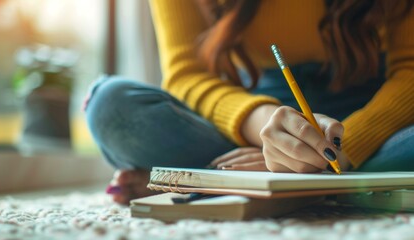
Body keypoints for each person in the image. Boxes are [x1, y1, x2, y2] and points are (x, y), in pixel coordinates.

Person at [85, 0, 414, 204]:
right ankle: (337, 186)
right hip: (256, 116)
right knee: (112, 107)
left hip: (378, 112)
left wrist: (347, 144)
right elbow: (187, 74)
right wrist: (269, 132)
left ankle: (209, 181)